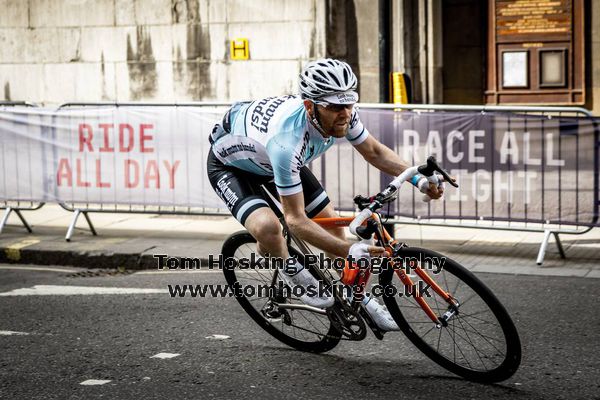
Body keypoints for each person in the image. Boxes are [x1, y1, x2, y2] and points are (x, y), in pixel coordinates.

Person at [207, 58, 443, 331]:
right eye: (335, 106)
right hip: (231, 167)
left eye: (349, 103)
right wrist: (350, 251)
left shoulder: (342, 113)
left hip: (270, 161)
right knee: (269, 227)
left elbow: (375, 152)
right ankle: (287, 268)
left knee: (333, 229)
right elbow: (295, 220)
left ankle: (359, 298)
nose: (345, 113)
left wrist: (418, 178)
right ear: (311, 106)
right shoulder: (286, 142)